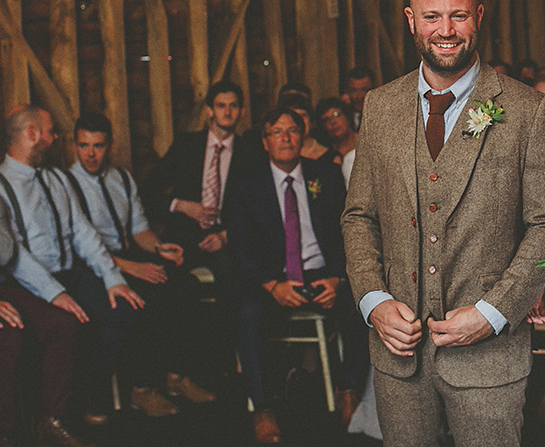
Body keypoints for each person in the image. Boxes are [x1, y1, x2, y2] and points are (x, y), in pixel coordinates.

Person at [342, 0, 545, 447]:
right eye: (432, 16)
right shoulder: (379, 106)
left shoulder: (530, 111)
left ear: (479, 16)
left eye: (458, 15)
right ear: (410, 20)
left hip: (490, 358)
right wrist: (374, 302)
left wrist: (495, 311)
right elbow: (360, 216)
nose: (445, 30)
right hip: (397, 356)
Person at [0, 105, 144, 436]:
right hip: (27, 283)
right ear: (32, 133)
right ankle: (59, 413)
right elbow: (13, 256)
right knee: (69, 323)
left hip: (73, 272)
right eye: (51, 131)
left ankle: (83, 391)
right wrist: (55, 293)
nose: (56, 138)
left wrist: (113, 279)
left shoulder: (57, 177)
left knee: (124, 310)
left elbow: (84, 233)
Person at [226, 108, 368, 443]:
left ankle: (348, 388)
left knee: (363, 303)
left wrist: (337, 278)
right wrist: (272, 285)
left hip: (322, 273)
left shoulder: (326, 176)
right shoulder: (247, 182)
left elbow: (350, 230)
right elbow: (239, 245)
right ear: (265, 141)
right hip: (272, 278)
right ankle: (262, 407)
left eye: (292, 130)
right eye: (277, 131)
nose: (286, 138)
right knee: (247, 314)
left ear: (302, 137)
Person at [0, 112, 84, 447]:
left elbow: (6, 253)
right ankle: (2, 434)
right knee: (7, 334)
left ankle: (52, 419)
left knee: (61, 324)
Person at [66, 113, 215, 418]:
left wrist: (159, 248)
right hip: (92, 265)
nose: (91, 153)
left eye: (98, 145)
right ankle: (142, 390)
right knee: (144, 298)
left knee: (185, 286)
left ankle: (176, 376)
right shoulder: (65, 185)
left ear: (110, 145)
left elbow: (139, 230)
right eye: (84, 146)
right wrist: (131, 268)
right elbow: (78, 247)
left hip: (128, 253)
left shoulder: (121, 177)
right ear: (74, 146)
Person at [143, 80, 258, 293]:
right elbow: (149, 191)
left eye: (233, 106)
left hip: (225, 236)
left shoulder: (250, 153)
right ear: (209, 110)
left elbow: (258, 208)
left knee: (236, 279)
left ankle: (224, 327)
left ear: (242, 111)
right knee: (164, 279)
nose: (227, 111)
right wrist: (181, 205)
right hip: (182, 235)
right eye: (221, 105)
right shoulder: (186, 146)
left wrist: (226, 235)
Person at [315, 98, 358, 186]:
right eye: (326, 119)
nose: (333, 122)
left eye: (337, 115)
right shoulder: (326, 154)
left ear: (348, 116)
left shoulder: (366, 141)